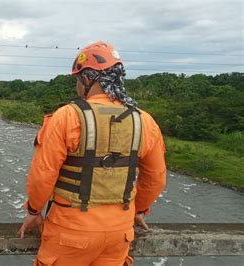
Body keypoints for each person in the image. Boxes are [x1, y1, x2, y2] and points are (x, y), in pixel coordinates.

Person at [18, 41, 166, 266]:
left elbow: (43, 174)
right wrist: (138, 210)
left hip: (71, 232)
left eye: (78, 79)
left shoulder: (66, 116)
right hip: (119, 233)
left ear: (88, 79)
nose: (78, 85)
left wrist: (34, 211)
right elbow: (155, 178)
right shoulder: (144, 120)